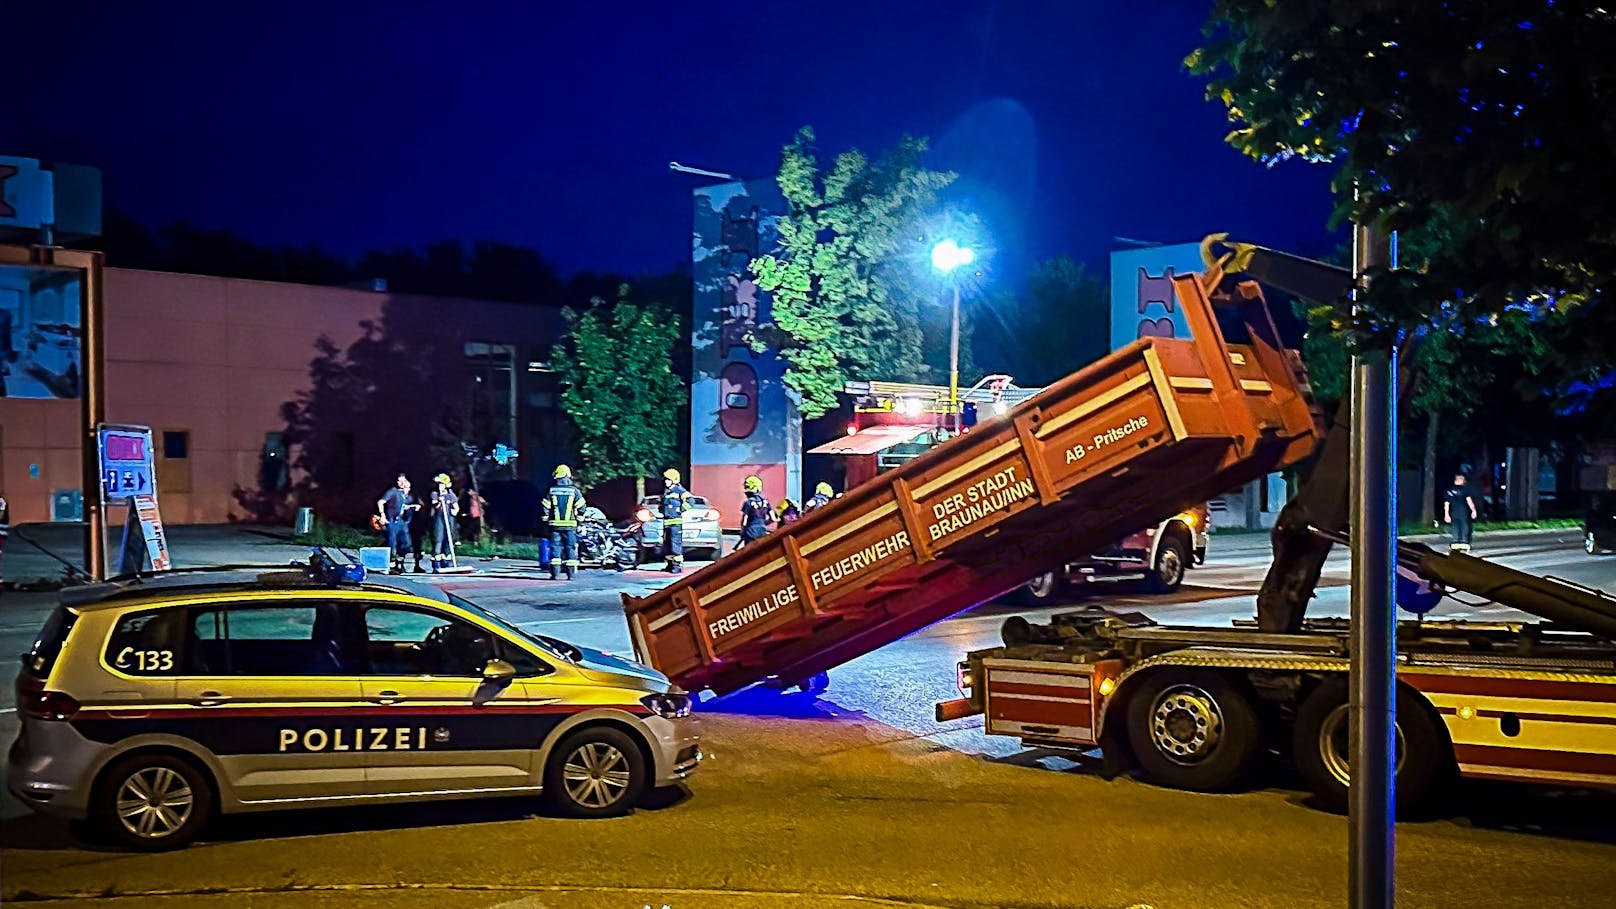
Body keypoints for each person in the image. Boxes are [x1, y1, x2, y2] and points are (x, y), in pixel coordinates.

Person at [543, 464, 583, 581]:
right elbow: (581, 506)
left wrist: (545, 517)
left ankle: (555, 574)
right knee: (570, 548)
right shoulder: (574, 491)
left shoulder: (551, 490)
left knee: (555, 548)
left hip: (555, 526)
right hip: (570, 526)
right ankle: (571, 575)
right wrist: (580, 518)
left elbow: (545, 505)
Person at [376, 474, 421, 574]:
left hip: (402, 521)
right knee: (392, 542)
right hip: (392, 520)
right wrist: (382, 515)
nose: (402, 483)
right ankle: (391, 565)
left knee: (406, 543)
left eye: (403, 481)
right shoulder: (393, 491)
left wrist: (413, 506)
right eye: (399, 481)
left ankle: (399, 562)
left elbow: (404, 506)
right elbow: (381, 502)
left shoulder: (407, 495)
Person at [659, 468, 691, 573]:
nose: (666, 481)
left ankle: (677, 566)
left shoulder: (679, 490)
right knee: (667, 545)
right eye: (665, 479)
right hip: (667, 523)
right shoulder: (666, 492)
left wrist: (680, 510)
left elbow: (690, 501)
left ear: (674, 480)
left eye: (668, 479)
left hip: (676, 523)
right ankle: (670, 564)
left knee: (675, 545)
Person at [428, 473, 460, 572]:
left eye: (441, 484)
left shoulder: (450, 494)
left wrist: (454, 511)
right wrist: (439, 500)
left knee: (448, 538)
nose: (439, 486)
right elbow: (435, 506)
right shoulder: (434, 494)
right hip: (439, 518)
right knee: (439, 538)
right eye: (438, 484)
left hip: (449, 518)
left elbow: (456, 507)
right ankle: (436, 564)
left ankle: (446, 562)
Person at [1442, 470, 1480, 552]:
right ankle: (1464, 541)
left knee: (1455, 527)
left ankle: (1455, 541)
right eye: (1463, 480)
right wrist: (1473, 511)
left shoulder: (1449, 491)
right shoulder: (1465, 490)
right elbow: (1469, 501)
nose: (1464, 481)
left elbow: (1447, 504)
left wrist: (1446, 514)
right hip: (1463, 512)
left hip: (1454, 512)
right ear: (1459, 480)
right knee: (1464, 527)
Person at [735, 475, 773, 550]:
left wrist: (742, 531)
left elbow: (744, 521)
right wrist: (762, 523)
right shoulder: (765, 502)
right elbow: (773, 518)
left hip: (750, 533)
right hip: (762, 532)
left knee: (749, 554)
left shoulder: (748, 503)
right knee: (760, 553)